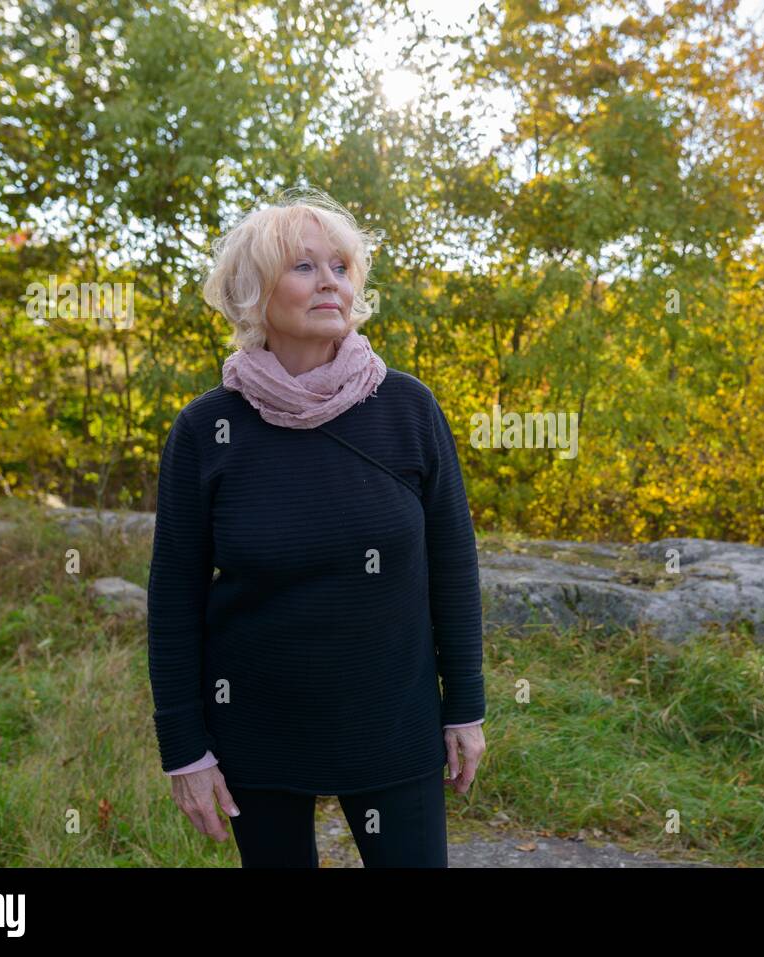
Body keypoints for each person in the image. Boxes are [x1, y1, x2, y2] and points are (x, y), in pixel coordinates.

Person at [147, 187, 486, 867]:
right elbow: (174, 600)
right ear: (253, 292)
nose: (330, 281)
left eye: (340, 265)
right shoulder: (207, 430)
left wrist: (465, 708)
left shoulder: (408, 408)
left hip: (393, 725)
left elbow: (453, 563)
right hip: (257, 731)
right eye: (303, 267)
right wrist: (184, 747)